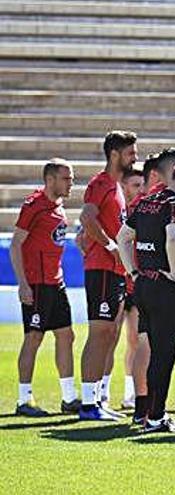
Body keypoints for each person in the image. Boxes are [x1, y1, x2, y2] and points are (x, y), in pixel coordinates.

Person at [118, 159, 175, 433]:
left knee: (155, 351)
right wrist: (174, 272)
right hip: (166, 288)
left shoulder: (145, 203)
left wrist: (133, 271)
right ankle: (156, 418)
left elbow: (123, 237)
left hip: (143, 284)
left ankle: (151, 413)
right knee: (165, 355)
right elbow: (174, 236)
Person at [11, 159, 79, 416]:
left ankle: (69, 397)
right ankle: (23, 400)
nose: (71, 183)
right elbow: (16, 244)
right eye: (66, 178)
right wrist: (23, 284)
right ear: (50, 180)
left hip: (55, 282)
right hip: (36, 283)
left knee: (66, 335)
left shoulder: (58, 206)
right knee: (34, 337)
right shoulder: (33, 206)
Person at [78, 130, 137, 421]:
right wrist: (109, 245)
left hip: (114, 271)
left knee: (110, 333)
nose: (134, 158)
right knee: (100, 332)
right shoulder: (100, 183)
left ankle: (98, 399)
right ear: (115, 154)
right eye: (130, 153)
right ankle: (88, 403)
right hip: (101, 269)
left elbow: (92, 224)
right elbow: (86, 217)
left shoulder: (115, 187)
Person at [120, 167, 145, 409]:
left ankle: (131, 393)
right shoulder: (119, 211)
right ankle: (100, 392)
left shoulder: (145, 211)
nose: (139, 190)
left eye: (141, 185)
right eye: (134, 185)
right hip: (118, 280)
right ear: (124, 187)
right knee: (110, 337)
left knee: (135, 341)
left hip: (137, 284)